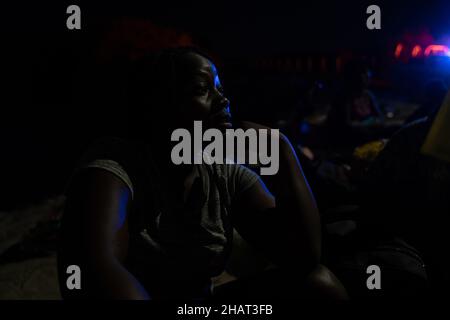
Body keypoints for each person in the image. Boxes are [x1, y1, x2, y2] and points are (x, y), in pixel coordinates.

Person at [57, 47, 347, 300]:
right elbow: (96, 269)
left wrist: (284, 154)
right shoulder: (117, 166)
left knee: (318, 285)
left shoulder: (226, 175)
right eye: (201, 89)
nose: (223, 101)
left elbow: (304, 256)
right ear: (159, 106)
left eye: (220, 89)